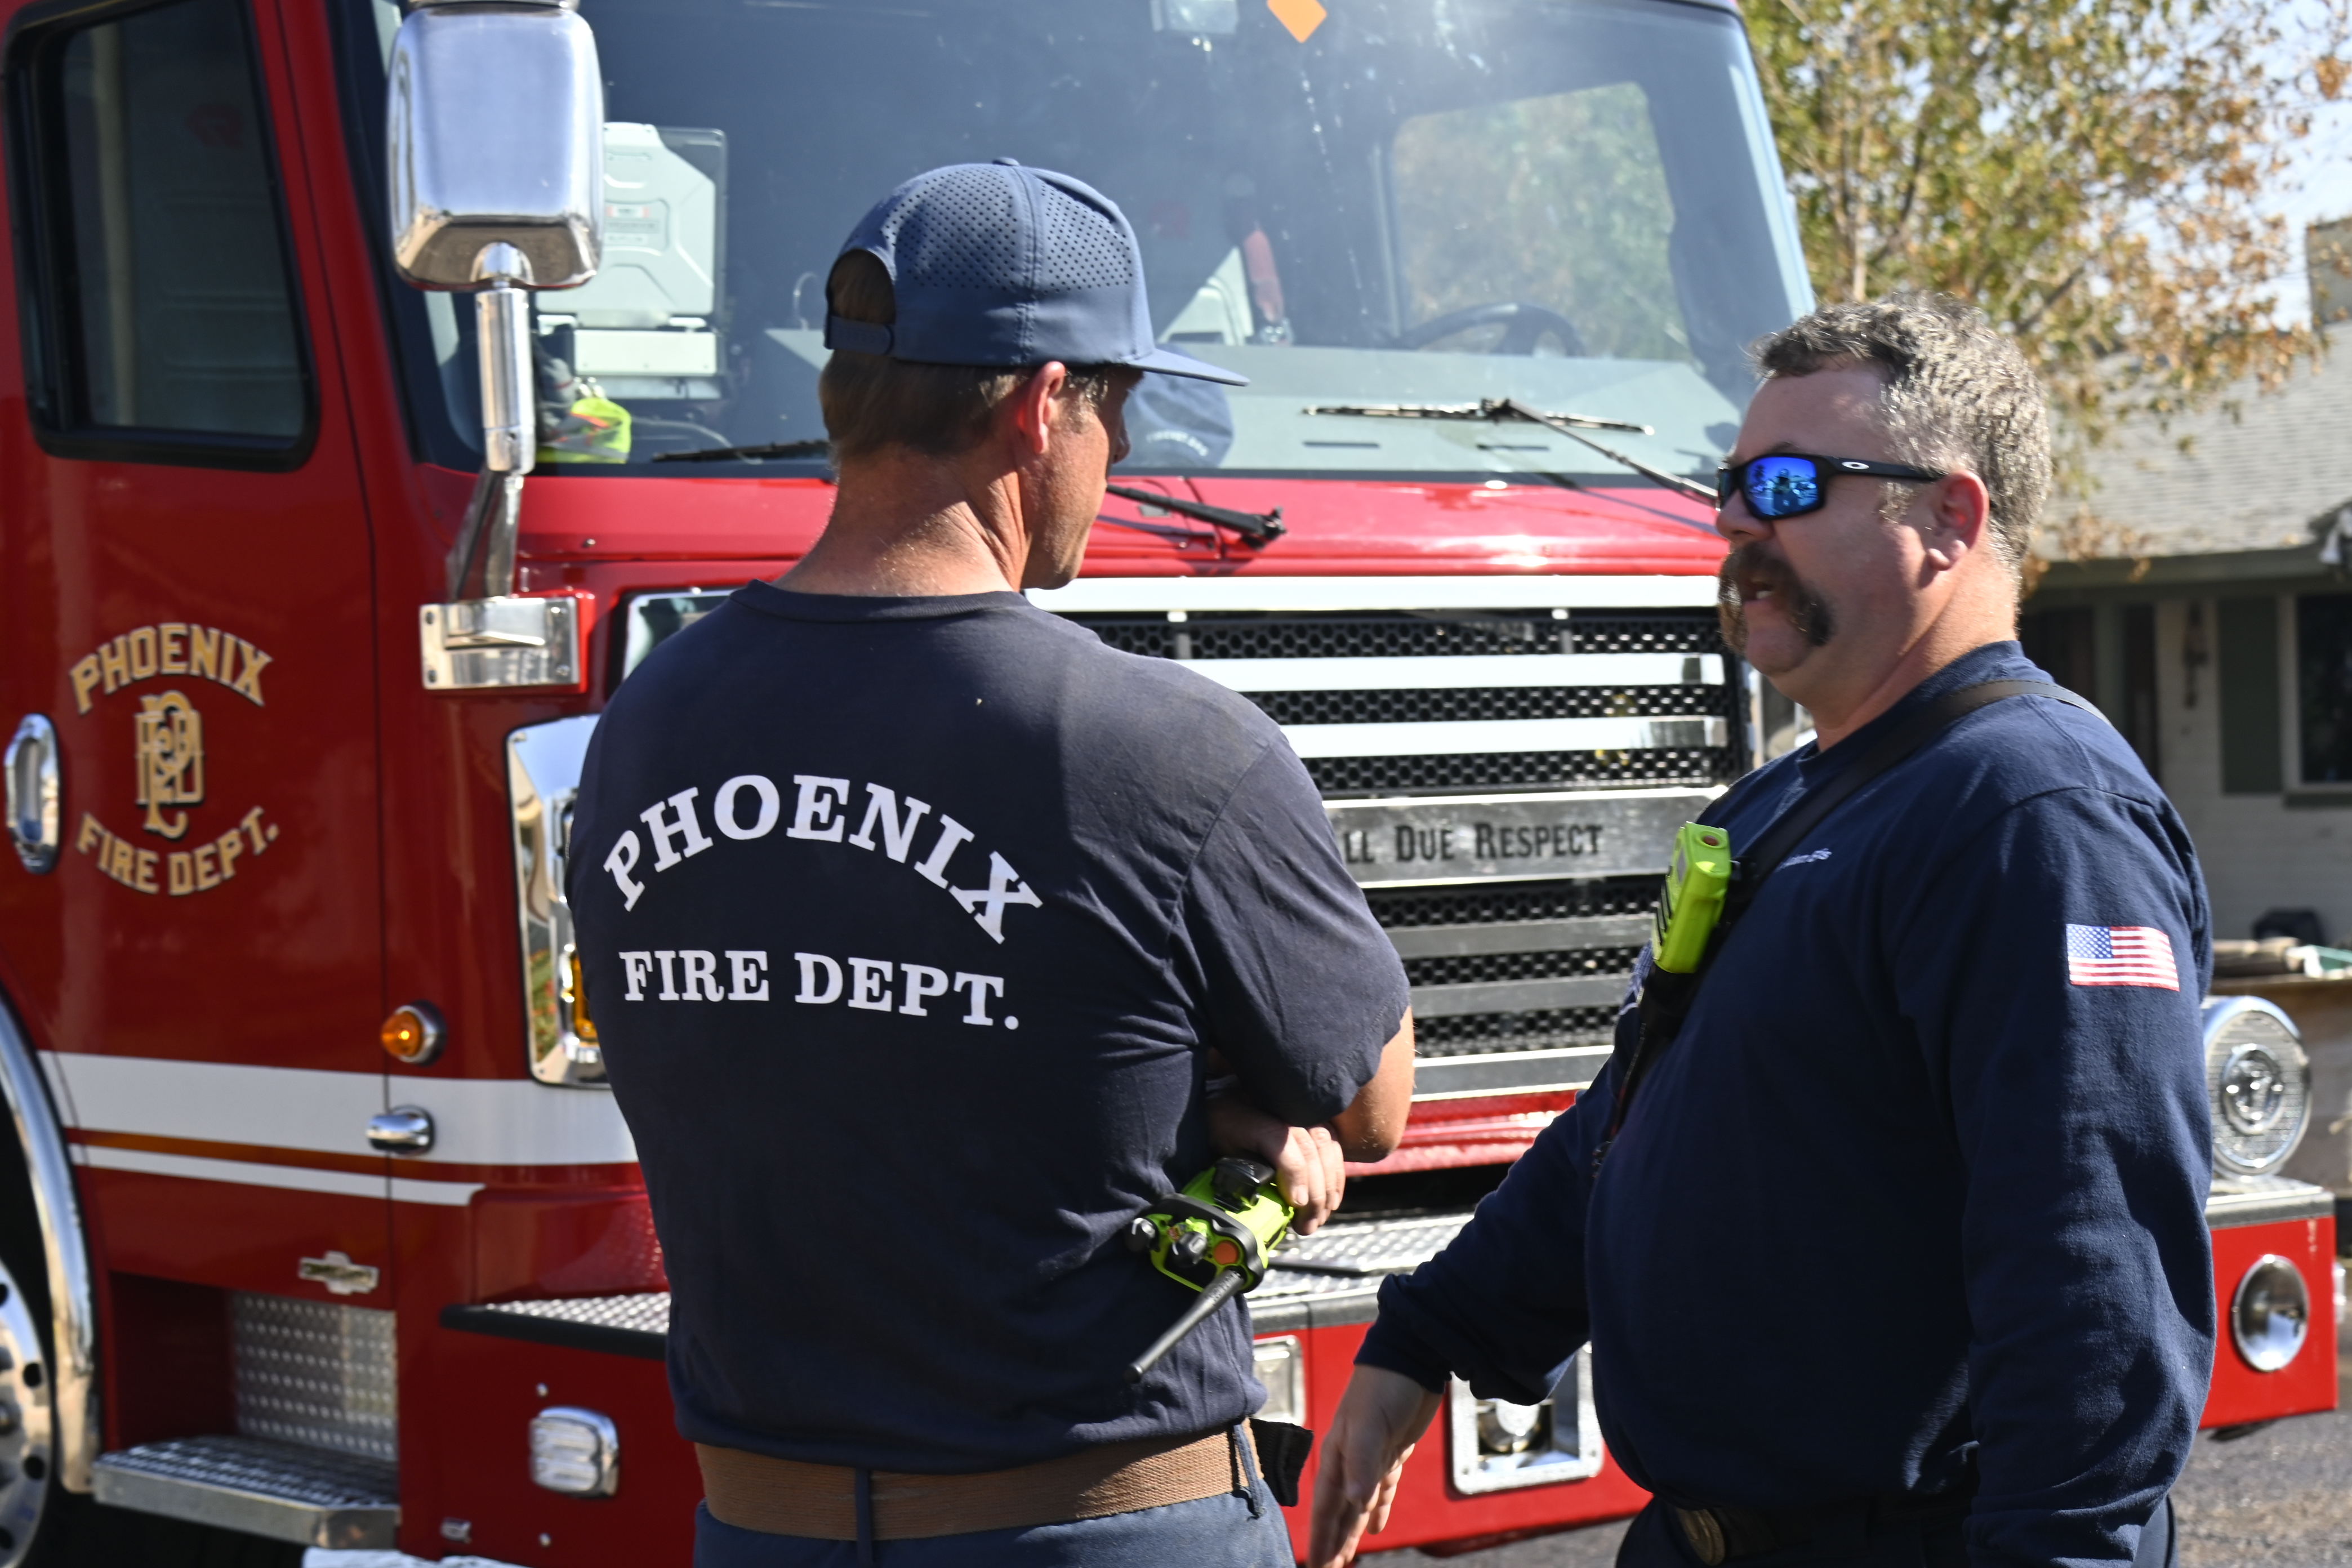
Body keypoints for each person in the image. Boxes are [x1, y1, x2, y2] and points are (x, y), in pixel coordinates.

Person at [567, 160, 1415, 1567]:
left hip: (762, 1528)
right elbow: (1369, 1098)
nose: (1121, 452)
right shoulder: (1165, 745)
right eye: (1117, 407)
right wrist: (1208, 1106)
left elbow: (793, 1050)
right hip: (1101, 1532)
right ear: (1041, 404)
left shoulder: (645, 723)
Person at [1307, 296, 2213, 1568]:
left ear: (1950, 519)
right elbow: (1629, 1125)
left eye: (1789, 486)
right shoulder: (1787, 800)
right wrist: (1431, 1335)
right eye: (1729, 486)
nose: (1737, 523)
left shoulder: (2036, 817)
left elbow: (2094, 1270)